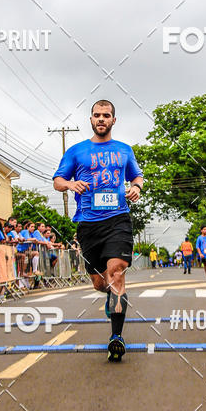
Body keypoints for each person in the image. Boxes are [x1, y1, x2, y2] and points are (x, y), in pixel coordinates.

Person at [53, 99, 143, 361]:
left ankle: (116, 337)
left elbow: (137, 176)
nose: (101, 119)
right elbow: (58, 180)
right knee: (98, 282)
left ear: (114, 120)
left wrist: (136, 187)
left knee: (116, 275)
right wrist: (70, 185)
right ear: (90, 120)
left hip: (118, 220)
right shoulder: (76, 151)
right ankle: (108, 297)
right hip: (88, 224)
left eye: (106, 115)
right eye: (96, 115)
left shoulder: (125, 150)